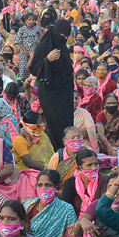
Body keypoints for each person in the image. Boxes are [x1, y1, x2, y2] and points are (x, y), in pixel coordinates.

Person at [29, 19, 75, 151]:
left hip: (64, 92)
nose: (64, 39)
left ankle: (68, 151)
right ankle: (58, 154)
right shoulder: (44, 47)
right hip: (50, 92)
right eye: (62, 37)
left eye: (67, 37)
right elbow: (33, 69)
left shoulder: (62, 47)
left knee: (66, 123)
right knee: (56, 124)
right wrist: (47, 60)